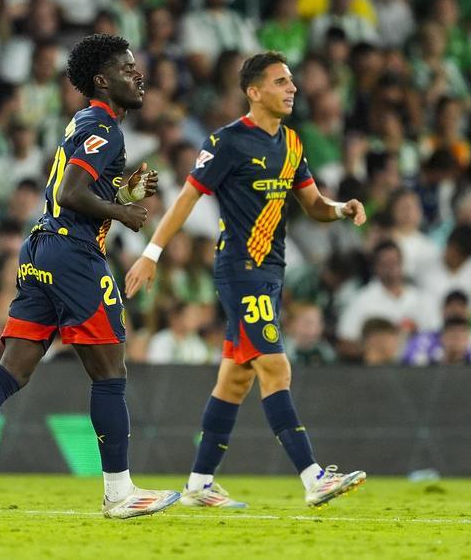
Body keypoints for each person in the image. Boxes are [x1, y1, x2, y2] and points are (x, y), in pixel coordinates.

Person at [0, 34, 177, 521]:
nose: (138, 75)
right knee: (110, 372)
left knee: (13, 367)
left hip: (41, 249)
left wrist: (121, 189)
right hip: (75, 256)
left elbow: (79, 187)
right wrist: (121, 212)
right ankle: (119, 491)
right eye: (127, 69)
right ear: (101, 81)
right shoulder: (105, 126)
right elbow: (71, 190)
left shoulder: (83, 122)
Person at [125, 51, 368, 509]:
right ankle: (314, 477)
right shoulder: (228, 142)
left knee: (235, 379)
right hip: (240, 269)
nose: (291, 88)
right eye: (280, 82)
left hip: (272, 271)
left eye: (291, 81)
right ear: (254, 92)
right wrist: (151, 254)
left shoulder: (292, 143)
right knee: (275, 367)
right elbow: (185, 198)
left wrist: (341, 209)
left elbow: (312, 204)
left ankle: (199, 483)